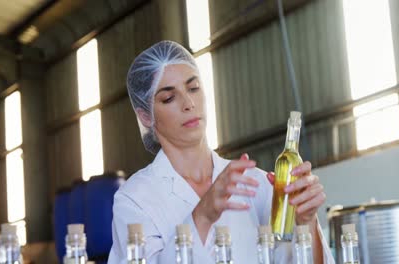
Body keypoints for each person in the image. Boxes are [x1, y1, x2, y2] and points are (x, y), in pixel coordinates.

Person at [108, 40, 334, 263]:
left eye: (193, 88)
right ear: (146, 116)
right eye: (169, 98)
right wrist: (203, 215)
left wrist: (307, 221)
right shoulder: (135, 199)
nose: (188, 103)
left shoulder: (255, 184)